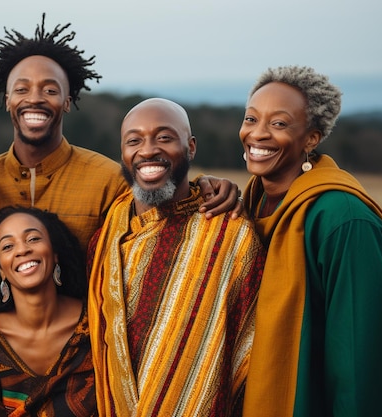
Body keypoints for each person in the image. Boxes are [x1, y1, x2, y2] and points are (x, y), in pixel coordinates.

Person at [0, 14, 241, 261]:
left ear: (68, 101)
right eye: (22, 90)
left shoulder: (109, 180)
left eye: (50, 90)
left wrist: (203, 184)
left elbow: (162, 205)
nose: (34, 99)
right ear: (7, 99)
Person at [238, 65, 382, 417]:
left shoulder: (343, 220)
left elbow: (363, 364)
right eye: (251, 119)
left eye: (279, 123)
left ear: (312, 138)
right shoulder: (249, 205)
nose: (258, 134)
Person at [87, 98, 266, 416]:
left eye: (164, 137)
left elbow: (254, 349)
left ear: (191, 147)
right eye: (134, 140)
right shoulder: (106, 237)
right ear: (123, 153)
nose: (147, 150)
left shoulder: (230, 234)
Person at [0, 206, 95, 416]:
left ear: (55, 254)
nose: (22, 250)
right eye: (8, 246)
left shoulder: (96, 323)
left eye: (33, 239)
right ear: (0, 270)